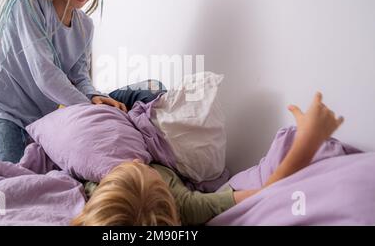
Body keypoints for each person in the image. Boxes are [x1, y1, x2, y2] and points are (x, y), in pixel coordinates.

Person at [0, 0, 165, 164]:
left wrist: (94, 96)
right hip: (5, 110)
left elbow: (79, 75)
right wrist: (90, 109)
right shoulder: (28, 2)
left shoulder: (85, 26)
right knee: (15, 180)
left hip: (45, 115)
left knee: (153, 89)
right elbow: (45, 74)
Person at [71, 92, 344, 226]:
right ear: (171, 206)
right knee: (151, 91)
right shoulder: (188, 205)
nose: (135, 159)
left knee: (116, 98)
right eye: (143, 169)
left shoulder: (94, 192)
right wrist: (307, 143)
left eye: (122, 170)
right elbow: (267, 195)